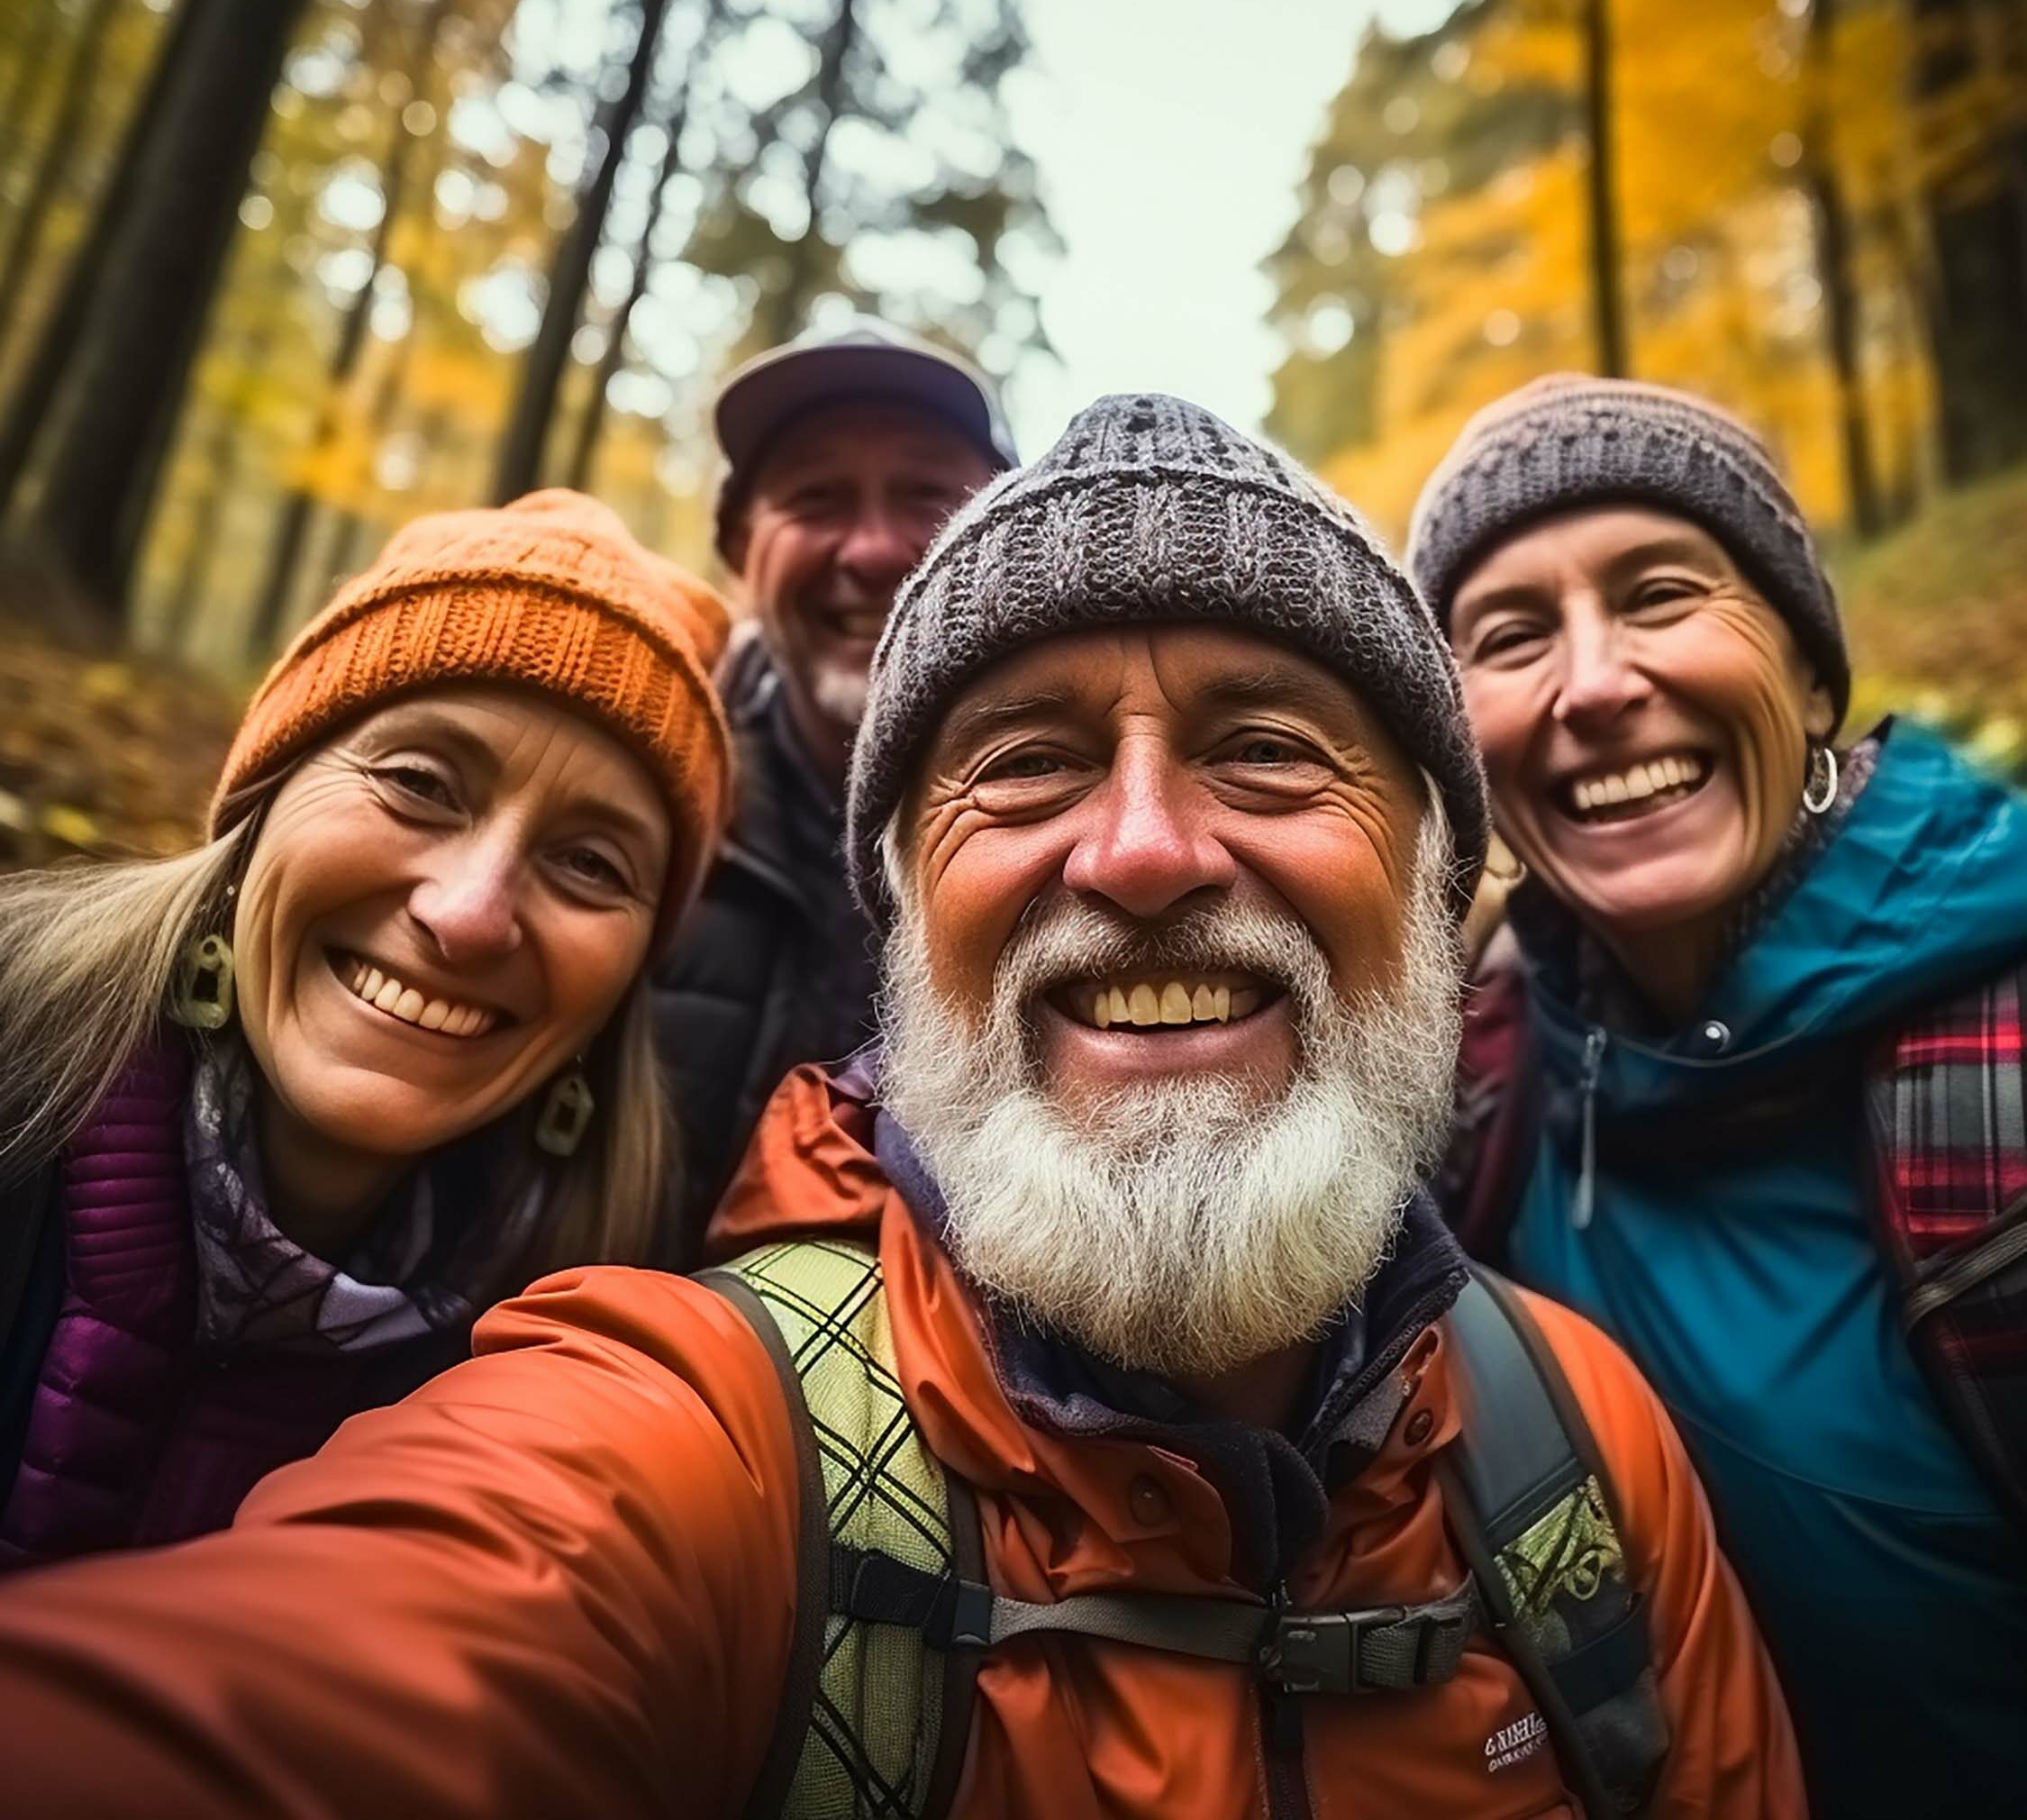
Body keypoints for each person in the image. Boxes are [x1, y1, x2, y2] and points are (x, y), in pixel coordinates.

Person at [0, 395, 1798, 1818]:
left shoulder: (1585, 1449)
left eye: (1268, 747)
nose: (1149, 850)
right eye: (1023, 765)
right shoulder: (695, 1442)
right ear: (903, 926)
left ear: (1432, 882)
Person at [1409, 373, 2027, 1819]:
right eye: (1510, 635)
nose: (1595, 682)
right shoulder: (1478, 1075)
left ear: (1811, 675)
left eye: (1660, 594)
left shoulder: (1995, 1068)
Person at [0, 489, 731, 1567]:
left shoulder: (586, 1370)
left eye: (590, 863)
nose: (469, 914)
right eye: (419, 784)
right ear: (262, 804)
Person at [654, 315, 1009, 1250]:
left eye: (928, 496)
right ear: (739, 547)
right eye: (816, 500)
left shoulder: (1106, 835)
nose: (874, 550)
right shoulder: (639, 810)